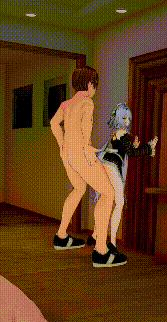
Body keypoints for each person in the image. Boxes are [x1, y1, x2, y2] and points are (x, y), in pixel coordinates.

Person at [50, 66, 127, 268]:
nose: (95, 90)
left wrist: (62, 144)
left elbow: (54, 123)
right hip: (81, 155)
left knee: (79, 188)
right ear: (90, 84)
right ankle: (100, 251)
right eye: (95, 85)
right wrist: (90, 153)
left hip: (68, 155)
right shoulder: (87, 102)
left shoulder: (66, 104)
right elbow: (86, 133)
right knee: (108, 193)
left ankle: (61, 236)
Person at [88, 103, 158, 253]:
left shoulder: (115, 133)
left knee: (105, 199)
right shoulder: (123, 134)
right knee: (119, 202)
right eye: (124, 118)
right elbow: (131, 153)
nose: (127, 121)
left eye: (128, 118)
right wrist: (148, 148)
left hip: (105, 164)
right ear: (119, 118)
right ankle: (112, 242)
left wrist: (135, 147)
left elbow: (127, 150)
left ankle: (95, 234)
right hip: (112, 167)